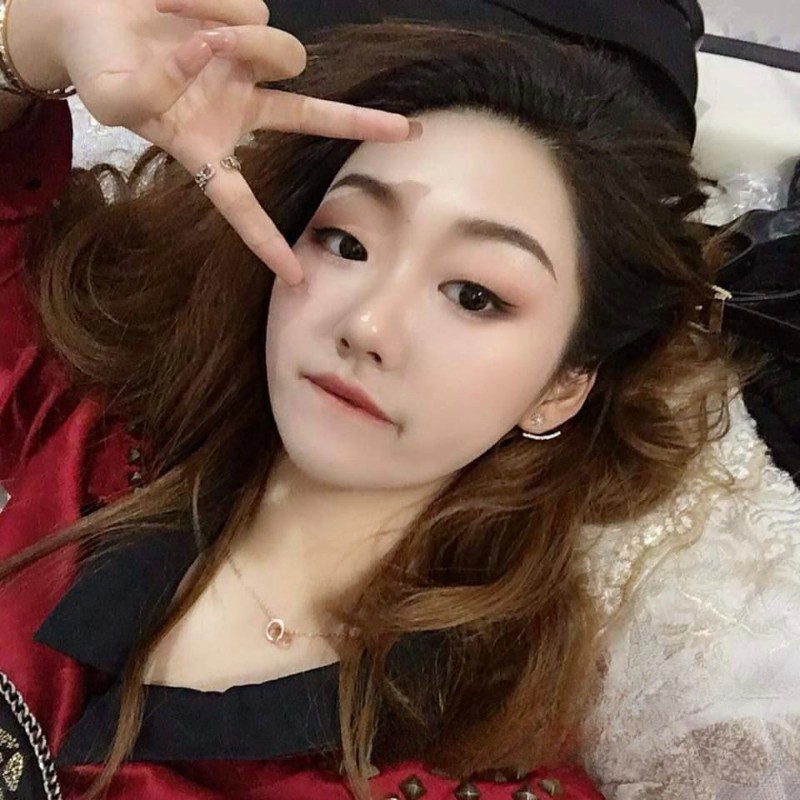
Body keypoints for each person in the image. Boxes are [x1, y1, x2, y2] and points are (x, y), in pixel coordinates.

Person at [0, 0, 742, 798]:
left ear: (563, 386)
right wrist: (29, 39)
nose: (367, 325)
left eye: (474, 295)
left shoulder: (472, 767)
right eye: (346, 242)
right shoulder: (94, 430)